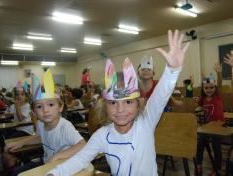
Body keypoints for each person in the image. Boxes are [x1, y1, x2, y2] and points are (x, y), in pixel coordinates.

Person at [46, 30, 190, 176]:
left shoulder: (146, 123)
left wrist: (172, 70)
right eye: (113, 103)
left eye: (128, 101)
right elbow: (80, 160)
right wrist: (55, 174)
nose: (120, 109)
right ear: (105, 105)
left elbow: (160, 97)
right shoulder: (102, 135)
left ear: (138, 103)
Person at [3, 69, 86, 176]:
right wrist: (20, 143)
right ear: (34, 111)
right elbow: (39, 137)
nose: (45, 110)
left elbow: (82, 145)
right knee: (18, 173)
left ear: (60, 107)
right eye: (39, 106)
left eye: (51, 105)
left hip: (63, 165)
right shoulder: (42, 124)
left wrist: (59, 155)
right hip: (47, 162)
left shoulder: (65, 126)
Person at [195, 63, 224, 176]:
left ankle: (217, 169)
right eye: (206, 88)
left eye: (212, 87)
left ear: (215, 88)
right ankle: (198, 165)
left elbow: (220, 83)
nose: (209, 90)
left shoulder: (218, 96)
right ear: (203, 88)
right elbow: (197, 106)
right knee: (200, 143)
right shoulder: (202, 99)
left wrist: (219, 73)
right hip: (207, 126)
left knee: (216, 147)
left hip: (218, 126)